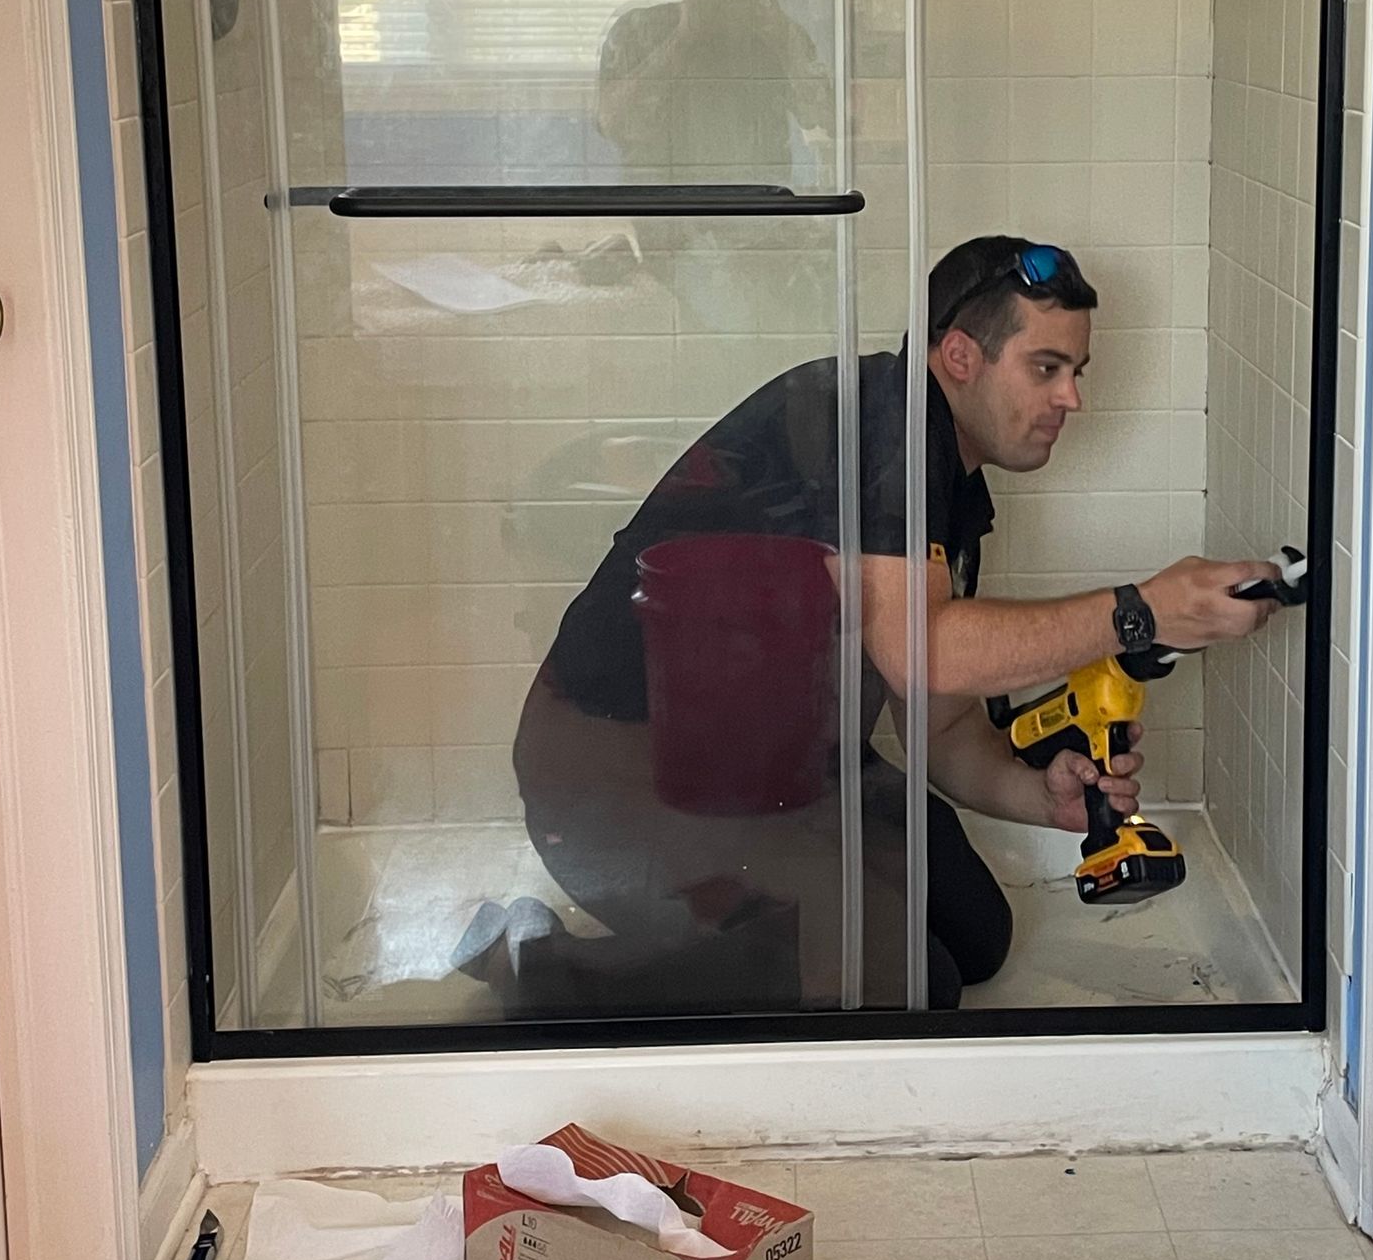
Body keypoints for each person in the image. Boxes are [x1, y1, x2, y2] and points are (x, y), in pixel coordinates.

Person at [463, 236, 1278, 1017]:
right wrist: (1142, 613)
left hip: (780, 772)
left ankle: (765, 920)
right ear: (960, 357)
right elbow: (923, 653)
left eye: (1076, 370)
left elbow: (938, 721)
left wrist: (1043, 796)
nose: (1071, 398)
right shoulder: (875, 426)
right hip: (633, 780)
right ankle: (538, 965)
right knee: (900, 981)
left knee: (977, 938)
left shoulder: (947, 482)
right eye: (1047, 368)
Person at [595, 0, 832, 187]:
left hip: (760, 215)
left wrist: (784, 41)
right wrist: (683, 38)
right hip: (666, 216)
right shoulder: (638, 29)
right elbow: (613, 123)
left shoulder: (772, 32)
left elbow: (827, 117)